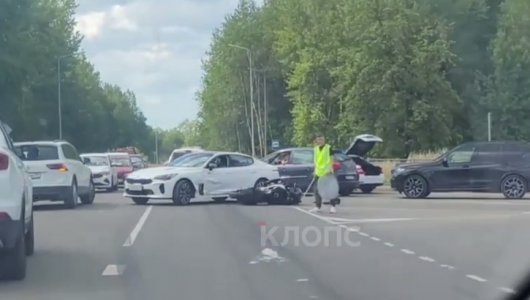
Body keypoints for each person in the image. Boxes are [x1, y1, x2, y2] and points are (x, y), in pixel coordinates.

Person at [309, 134, 339, 214]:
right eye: (319, 139)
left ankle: (333, 207)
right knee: (317, 190)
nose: (321, 141)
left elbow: (331, 159)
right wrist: (315, 170)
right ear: (317, 140)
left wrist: (330, 168)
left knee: (330, 190)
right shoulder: (315, 149)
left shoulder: (328, 148)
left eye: (322, 139)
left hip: (327, 172)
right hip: (318, 172)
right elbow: (315, 160)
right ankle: (317, 206)